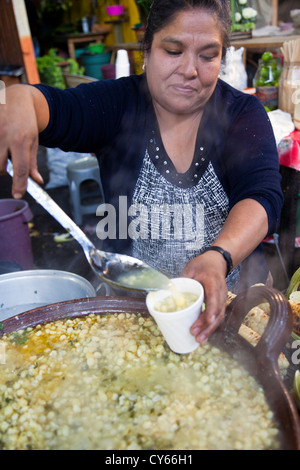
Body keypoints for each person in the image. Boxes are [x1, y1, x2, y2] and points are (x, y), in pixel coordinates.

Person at [0, 0, 283, 345]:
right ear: (146, 51)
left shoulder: (241, 113)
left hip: (235, 308)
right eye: (173, 50)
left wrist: (218, 256)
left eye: (207, 55)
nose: (190, 70)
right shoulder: (117, 106)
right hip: (134, 314)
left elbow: (262, 196)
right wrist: (16, 98)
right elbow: (47, 106)